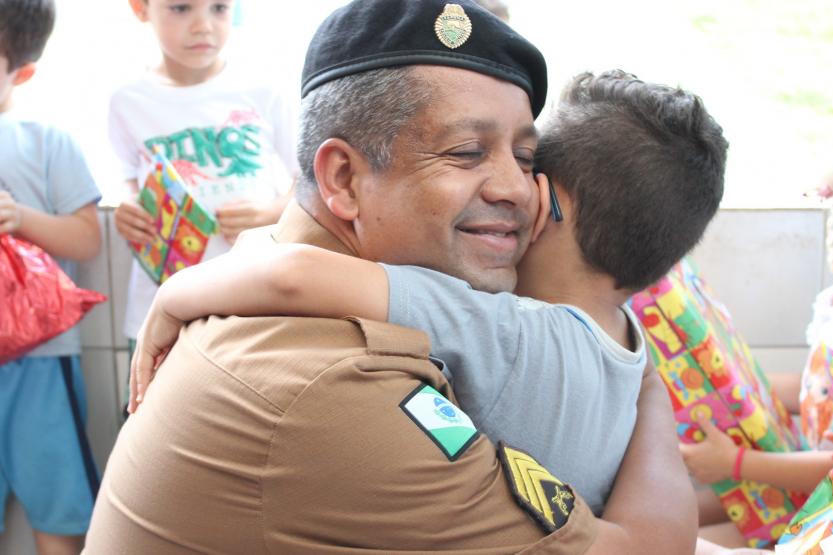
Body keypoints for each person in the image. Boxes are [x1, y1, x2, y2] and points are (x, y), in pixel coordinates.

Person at [85, 1, 696, 552]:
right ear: (344, 181)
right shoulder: (333, 386)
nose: (516, 189)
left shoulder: (268, 256)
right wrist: (639, 376)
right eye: (465, 153)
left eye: (526, 158)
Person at [680, 136, 833, 547]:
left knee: (685, 543)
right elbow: (813, 385)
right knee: (676, 512)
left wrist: (735, 462)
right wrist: (733, 391)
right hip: (801, 471)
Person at [109, 0, 299, 398]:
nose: (203, 26)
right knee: (156, 417)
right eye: (181, 9)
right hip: (163, 301)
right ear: (141, 9)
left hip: (253, 299)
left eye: (219, 9)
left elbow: (311, 183)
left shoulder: (263, 89)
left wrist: (272, 212)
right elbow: (129, 182)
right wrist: (129, 210)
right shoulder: (129, 101)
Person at [0, 1, 102, 553]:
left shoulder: (47, 142)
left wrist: (21, 219)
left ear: (22, 72)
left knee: (58, 516)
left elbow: (88, 240)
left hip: (39, 361)